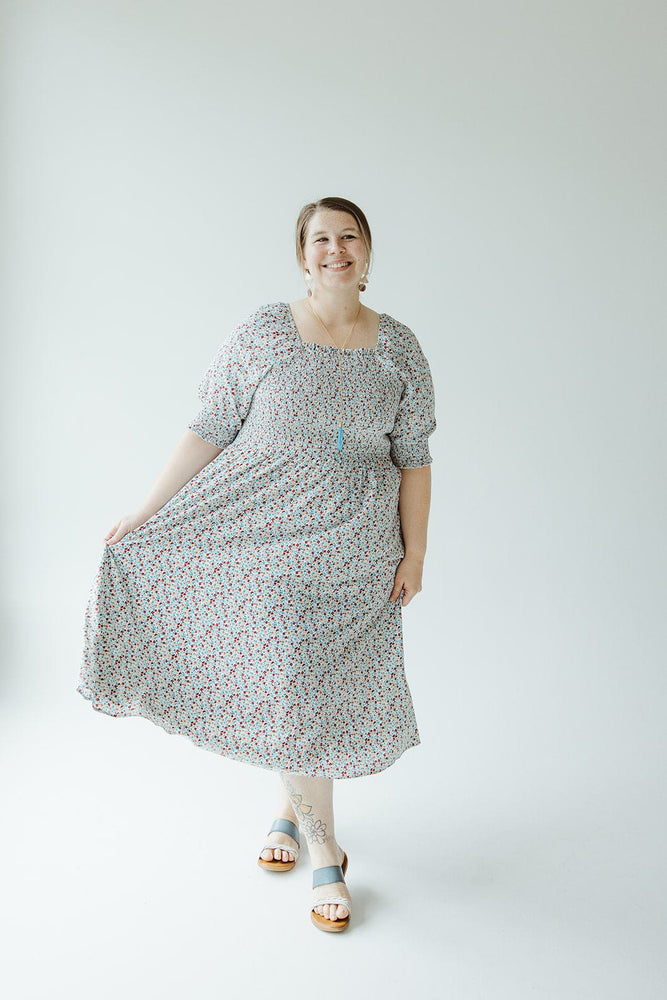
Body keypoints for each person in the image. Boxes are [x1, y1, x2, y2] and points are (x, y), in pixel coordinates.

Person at [76, 195, 436, 933]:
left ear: (367, 253)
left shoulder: (397, 347)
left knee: (314, 688)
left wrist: (417, 549)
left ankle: (287, 808)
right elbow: (210, 426)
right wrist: (146, 512)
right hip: (261, 531)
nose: (334, 250)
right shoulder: (266, 331)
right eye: (319, 239)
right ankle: (327, 849)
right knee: (291, 678)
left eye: (348, 238)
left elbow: (414, 457)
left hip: (356, 544)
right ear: (301, 255)